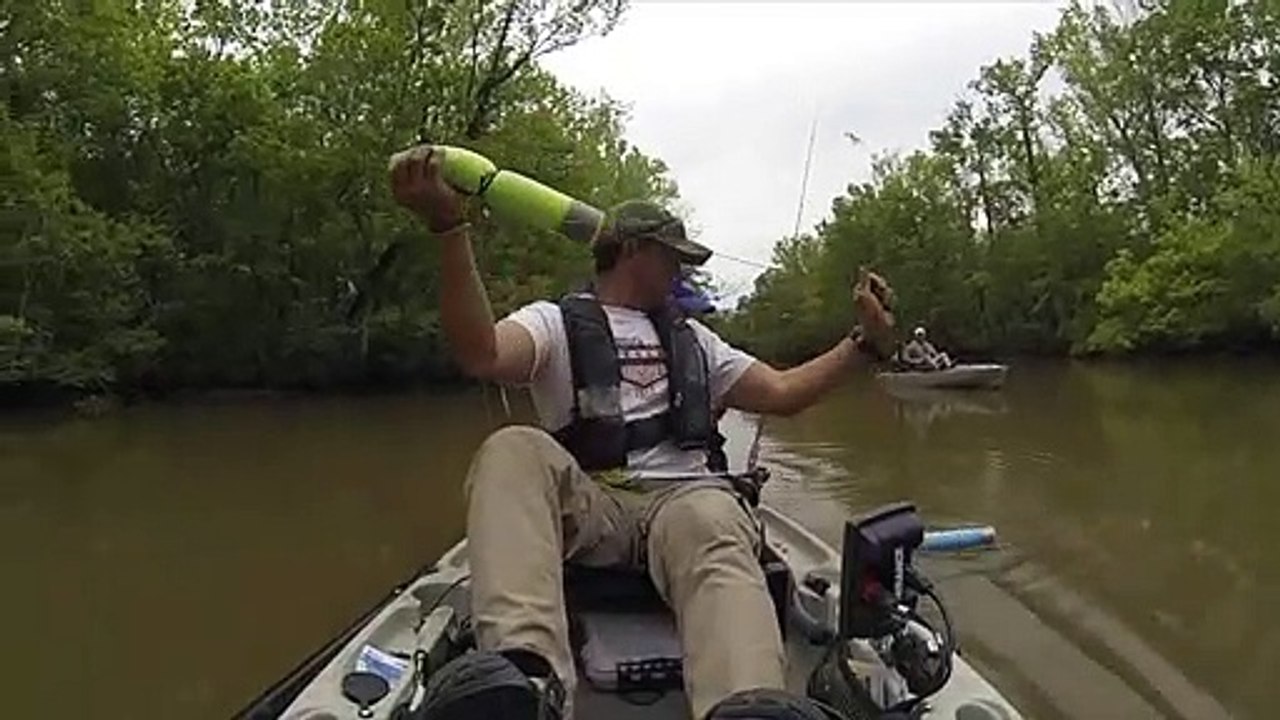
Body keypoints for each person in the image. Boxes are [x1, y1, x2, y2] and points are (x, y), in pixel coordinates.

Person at [389, 149, 896, 720]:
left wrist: (863, 344)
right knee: (511, 449)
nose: (682, 272)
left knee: (711, 516)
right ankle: (526, 682)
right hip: (592, 507)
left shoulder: (697, 340)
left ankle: (747, 707)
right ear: (631, 251)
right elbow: (481, 354)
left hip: (685, 503)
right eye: (671, 258)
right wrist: (449, 229)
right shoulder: (553, 322)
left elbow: (783, 394)